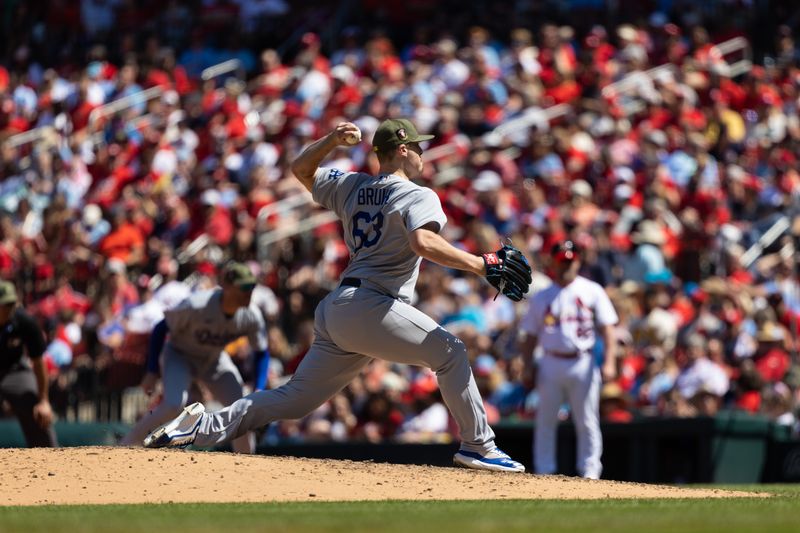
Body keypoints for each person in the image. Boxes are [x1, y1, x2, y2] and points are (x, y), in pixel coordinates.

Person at [143, 118, 530, 472]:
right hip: (373, 305)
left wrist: (330, 140)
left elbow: (300, 170)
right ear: (402, 150)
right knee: (451, 352)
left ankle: (201, 424)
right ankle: (478, 444)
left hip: (339, 307)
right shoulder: (419, 194)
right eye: (419, 146)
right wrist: (483, 264)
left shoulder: (352, 186)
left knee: (295, 399)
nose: (423, 153)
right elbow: (424, 242)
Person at [120, 262, 269, 454]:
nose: (250, 292)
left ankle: (246, 462)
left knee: (242, 408)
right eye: (245, 287)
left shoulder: (251, 315)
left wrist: (259, 388)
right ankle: (125, 446)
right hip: (180, 354)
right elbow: (160, 328)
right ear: (227, 286)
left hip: (213, 359)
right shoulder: (197, 304)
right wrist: (151, 371)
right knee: (174, 404)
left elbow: (262, 353)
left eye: (252, 287)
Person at [520, 241, 618, 479]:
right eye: (562, 261)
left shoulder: (592, 290)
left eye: (570, 260)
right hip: (550, 361)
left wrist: (609, 362)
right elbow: (530, 336)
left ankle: (590, 471)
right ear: (554, 262)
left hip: (582, 361)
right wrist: (527, 366)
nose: (567, 265)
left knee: (586, 419)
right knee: (546, 420)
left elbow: (608, 329)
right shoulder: (542, 296)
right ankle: (544, 471)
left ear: (578, 261)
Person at [0, 280, 57, 447]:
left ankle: (49, 458)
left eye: (12, 303)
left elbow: (39, 362)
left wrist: (44, 401)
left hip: (14, 370)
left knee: (32, 402)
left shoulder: (24, 321)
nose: (9, 308)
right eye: (5, 304)